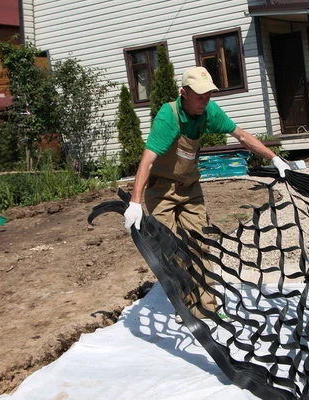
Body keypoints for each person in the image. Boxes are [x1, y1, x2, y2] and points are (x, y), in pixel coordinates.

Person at [124, 66, 290, 320]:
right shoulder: (168, 118)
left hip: (190, 187)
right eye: (199, 96)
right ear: (183, 93)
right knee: (171, 248)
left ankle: (207, 306)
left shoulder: (209, 111)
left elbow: (242, 136)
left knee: (199, 243)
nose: (205, 101)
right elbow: (146, 161)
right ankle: (187, 306)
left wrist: (274, 158)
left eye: (208, 95)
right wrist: (135, 202)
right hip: (161, 190)